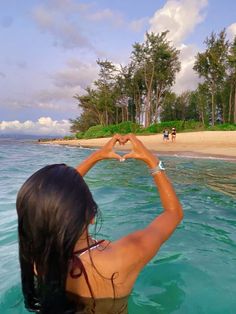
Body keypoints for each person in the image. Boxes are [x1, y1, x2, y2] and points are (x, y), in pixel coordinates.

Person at [16, 134, 183, 314]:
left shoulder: (37, 260)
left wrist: (97, 156)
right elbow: (173, 213)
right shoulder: (122, 257)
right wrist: (152, 161)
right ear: (91, 216)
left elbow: (51, 201)